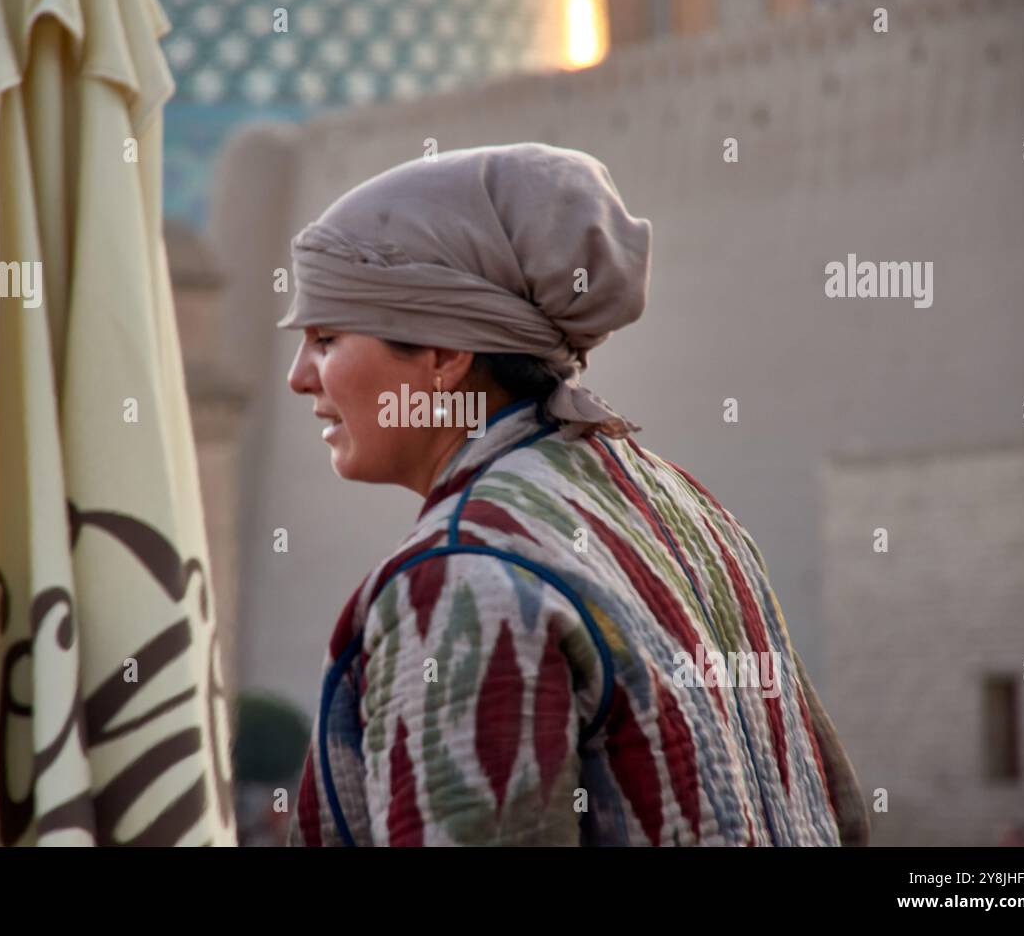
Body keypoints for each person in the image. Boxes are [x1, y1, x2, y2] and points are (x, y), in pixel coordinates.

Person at [277, 142, 868, 846]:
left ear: (441, 354)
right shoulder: (693, 515)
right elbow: (841, 813)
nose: (298, 377)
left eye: (326, 337)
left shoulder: (462, 575)